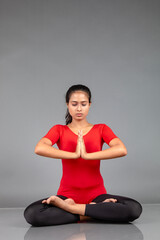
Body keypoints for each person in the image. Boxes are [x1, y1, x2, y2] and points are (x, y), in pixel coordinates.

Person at [24, 84, 142, 226]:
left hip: (97, 196)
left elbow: (121, 149)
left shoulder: (101, 128)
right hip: (66, 195)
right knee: (32, 214)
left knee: (134, 209)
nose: (79, 108)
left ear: (89, 105)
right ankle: (92, 212)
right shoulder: (59, 129)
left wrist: (86, 155)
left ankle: (72, 208)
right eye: (74, 104)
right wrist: (74, 155)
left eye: (83, 104)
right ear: (67, 105)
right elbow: (39, 148)